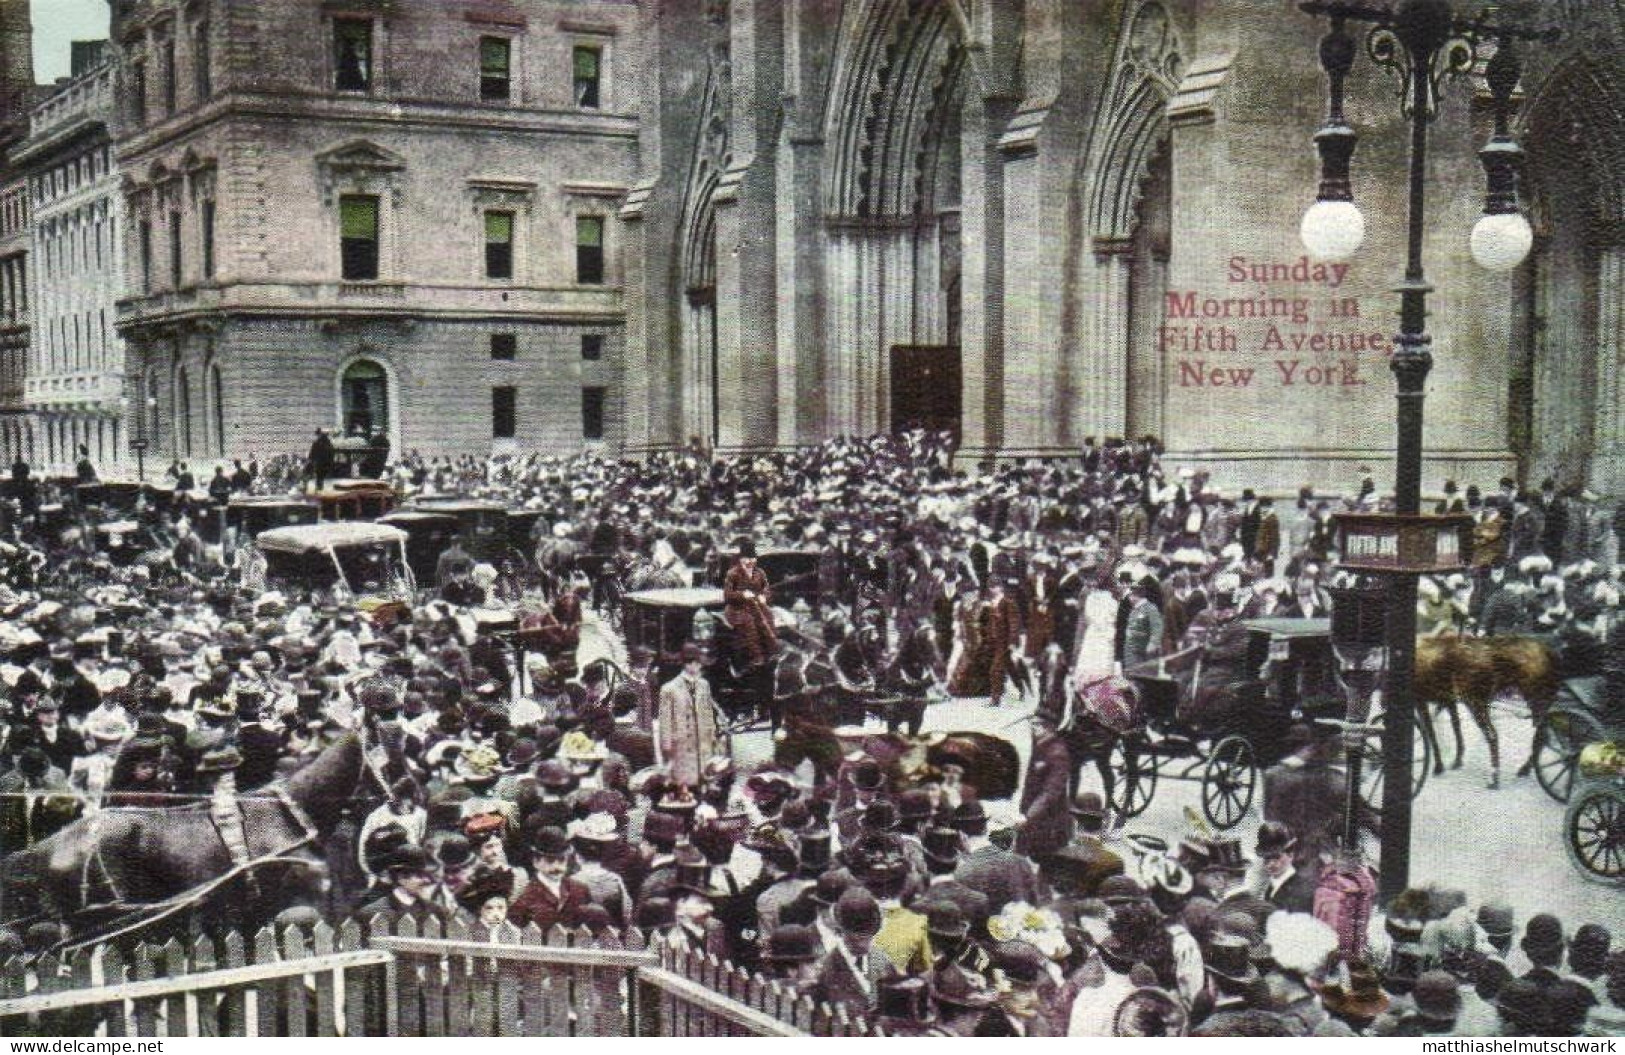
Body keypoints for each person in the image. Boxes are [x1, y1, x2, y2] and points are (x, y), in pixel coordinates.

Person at [656, 643, 722, 791]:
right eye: (696, 663)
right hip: (681, 742)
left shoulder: (704, 685)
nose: (699, 667)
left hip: (702, 741)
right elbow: (665, 720)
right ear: (688, 664)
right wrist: (666, 746)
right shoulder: (669, 689)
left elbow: (707, 712)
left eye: (700, 664)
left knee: (703, 779)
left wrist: (712, 734)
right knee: (683, 783)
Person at [722, 540, 778, 668]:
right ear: (740, 559)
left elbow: (767, 589)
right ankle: (756, 656)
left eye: (752, 558)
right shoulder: (732, 574)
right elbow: (727, 595)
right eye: (745, 559)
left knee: (769, 615)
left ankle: (772, 651)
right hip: (736, 609)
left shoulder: (760, 573)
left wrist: (764, 596)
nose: (749, 562)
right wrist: (742, 595)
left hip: (756, 606)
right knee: (749, 622)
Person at [306, 428, 335, 492]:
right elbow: (331, 452)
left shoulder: (317, 442)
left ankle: (319, 487)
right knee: (321, 475)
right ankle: (320, 487)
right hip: (326, 462)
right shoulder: (328, 442)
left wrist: (310, 459)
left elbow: (312, 452)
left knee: (319, 475)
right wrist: (331, 461)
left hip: (319, 462)